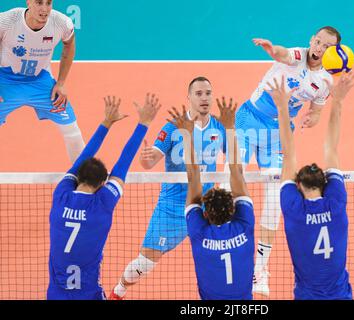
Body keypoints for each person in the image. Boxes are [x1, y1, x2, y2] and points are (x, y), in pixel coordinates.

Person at [236, 26, 341, 296]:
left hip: (278, 134)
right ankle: (231, 252)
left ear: (334, 52)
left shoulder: (326, 83)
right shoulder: (298, 54)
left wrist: (313, 118)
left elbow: (316, 109)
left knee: (274, 199)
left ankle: (260, 270)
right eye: (318, 41)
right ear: (311, 41)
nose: (319, 48)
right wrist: (272, 50)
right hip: (249, 121)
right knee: (231, 182)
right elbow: (283, 54)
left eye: (326, 46)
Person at [110, 77, 227, 300]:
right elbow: (149, 161)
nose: (204, 98)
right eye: (199, 93)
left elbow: (233, 158)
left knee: (221, 256)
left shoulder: (219, 126)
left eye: (208, 93)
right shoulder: (173, 126)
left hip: (207, 206)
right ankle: (119, 290)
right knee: (144, 263)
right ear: (189, 98)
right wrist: (147, 157)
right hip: (173, 207)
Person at [47, 93, 161, 300]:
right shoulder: (102, 205)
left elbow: (82, 160)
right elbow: (123, 164)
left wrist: (106, 123)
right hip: (89, 295)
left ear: (78, 176)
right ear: (102, 184)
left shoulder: (61, 195)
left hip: (56, 295)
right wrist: (144, 122)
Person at [268, 72, 354, 299]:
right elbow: (331, 149)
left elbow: (287, 156)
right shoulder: (335, 202)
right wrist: (337, 101)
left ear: (298, 185)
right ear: (325, 183)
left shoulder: (295, 209)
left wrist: (282, 108)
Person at [171, 100, 255, 300]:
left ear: (206, 214)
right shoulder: (244, 225)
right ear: (234, 210)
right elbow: (237, 170)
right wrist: (229, 127)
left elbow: (193, 176)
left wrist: (185, 133)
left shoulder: (200, 232)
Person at [0, 0, 84, 162]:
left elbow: (69, 45)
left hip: (41, 83)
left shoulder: (61, 23)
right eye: (39, 3)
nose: (44, 9)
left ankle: (84, 179)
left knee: (72, 130)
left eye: (48, 3)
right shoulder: (7, 21)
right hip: (6, 80)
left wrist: (61, 83)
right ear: (29, 2)